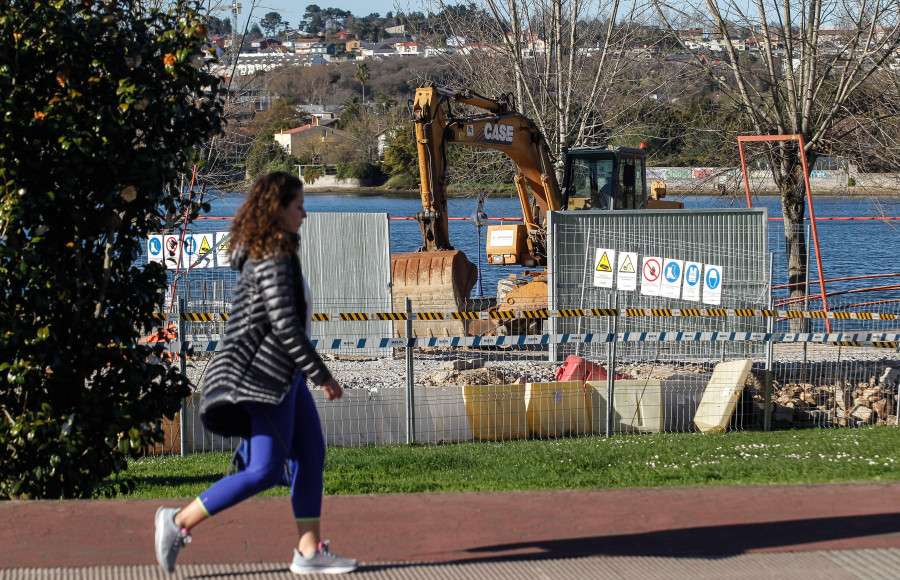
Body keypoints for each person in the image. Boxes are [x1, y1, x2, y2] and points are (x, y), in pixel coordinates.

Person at [154, 172, 358, 575]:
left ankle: (308, 551)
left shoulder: (273, 252)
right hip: (262, 379)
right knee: (264, 469)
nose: (305, 213)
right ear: (277, 210)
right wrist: (323, 375)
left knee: (311, 455)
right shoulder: (274, 257)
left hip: (283, 376)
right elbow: (286, 327)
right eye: (299, 205)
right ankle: (176, 522)